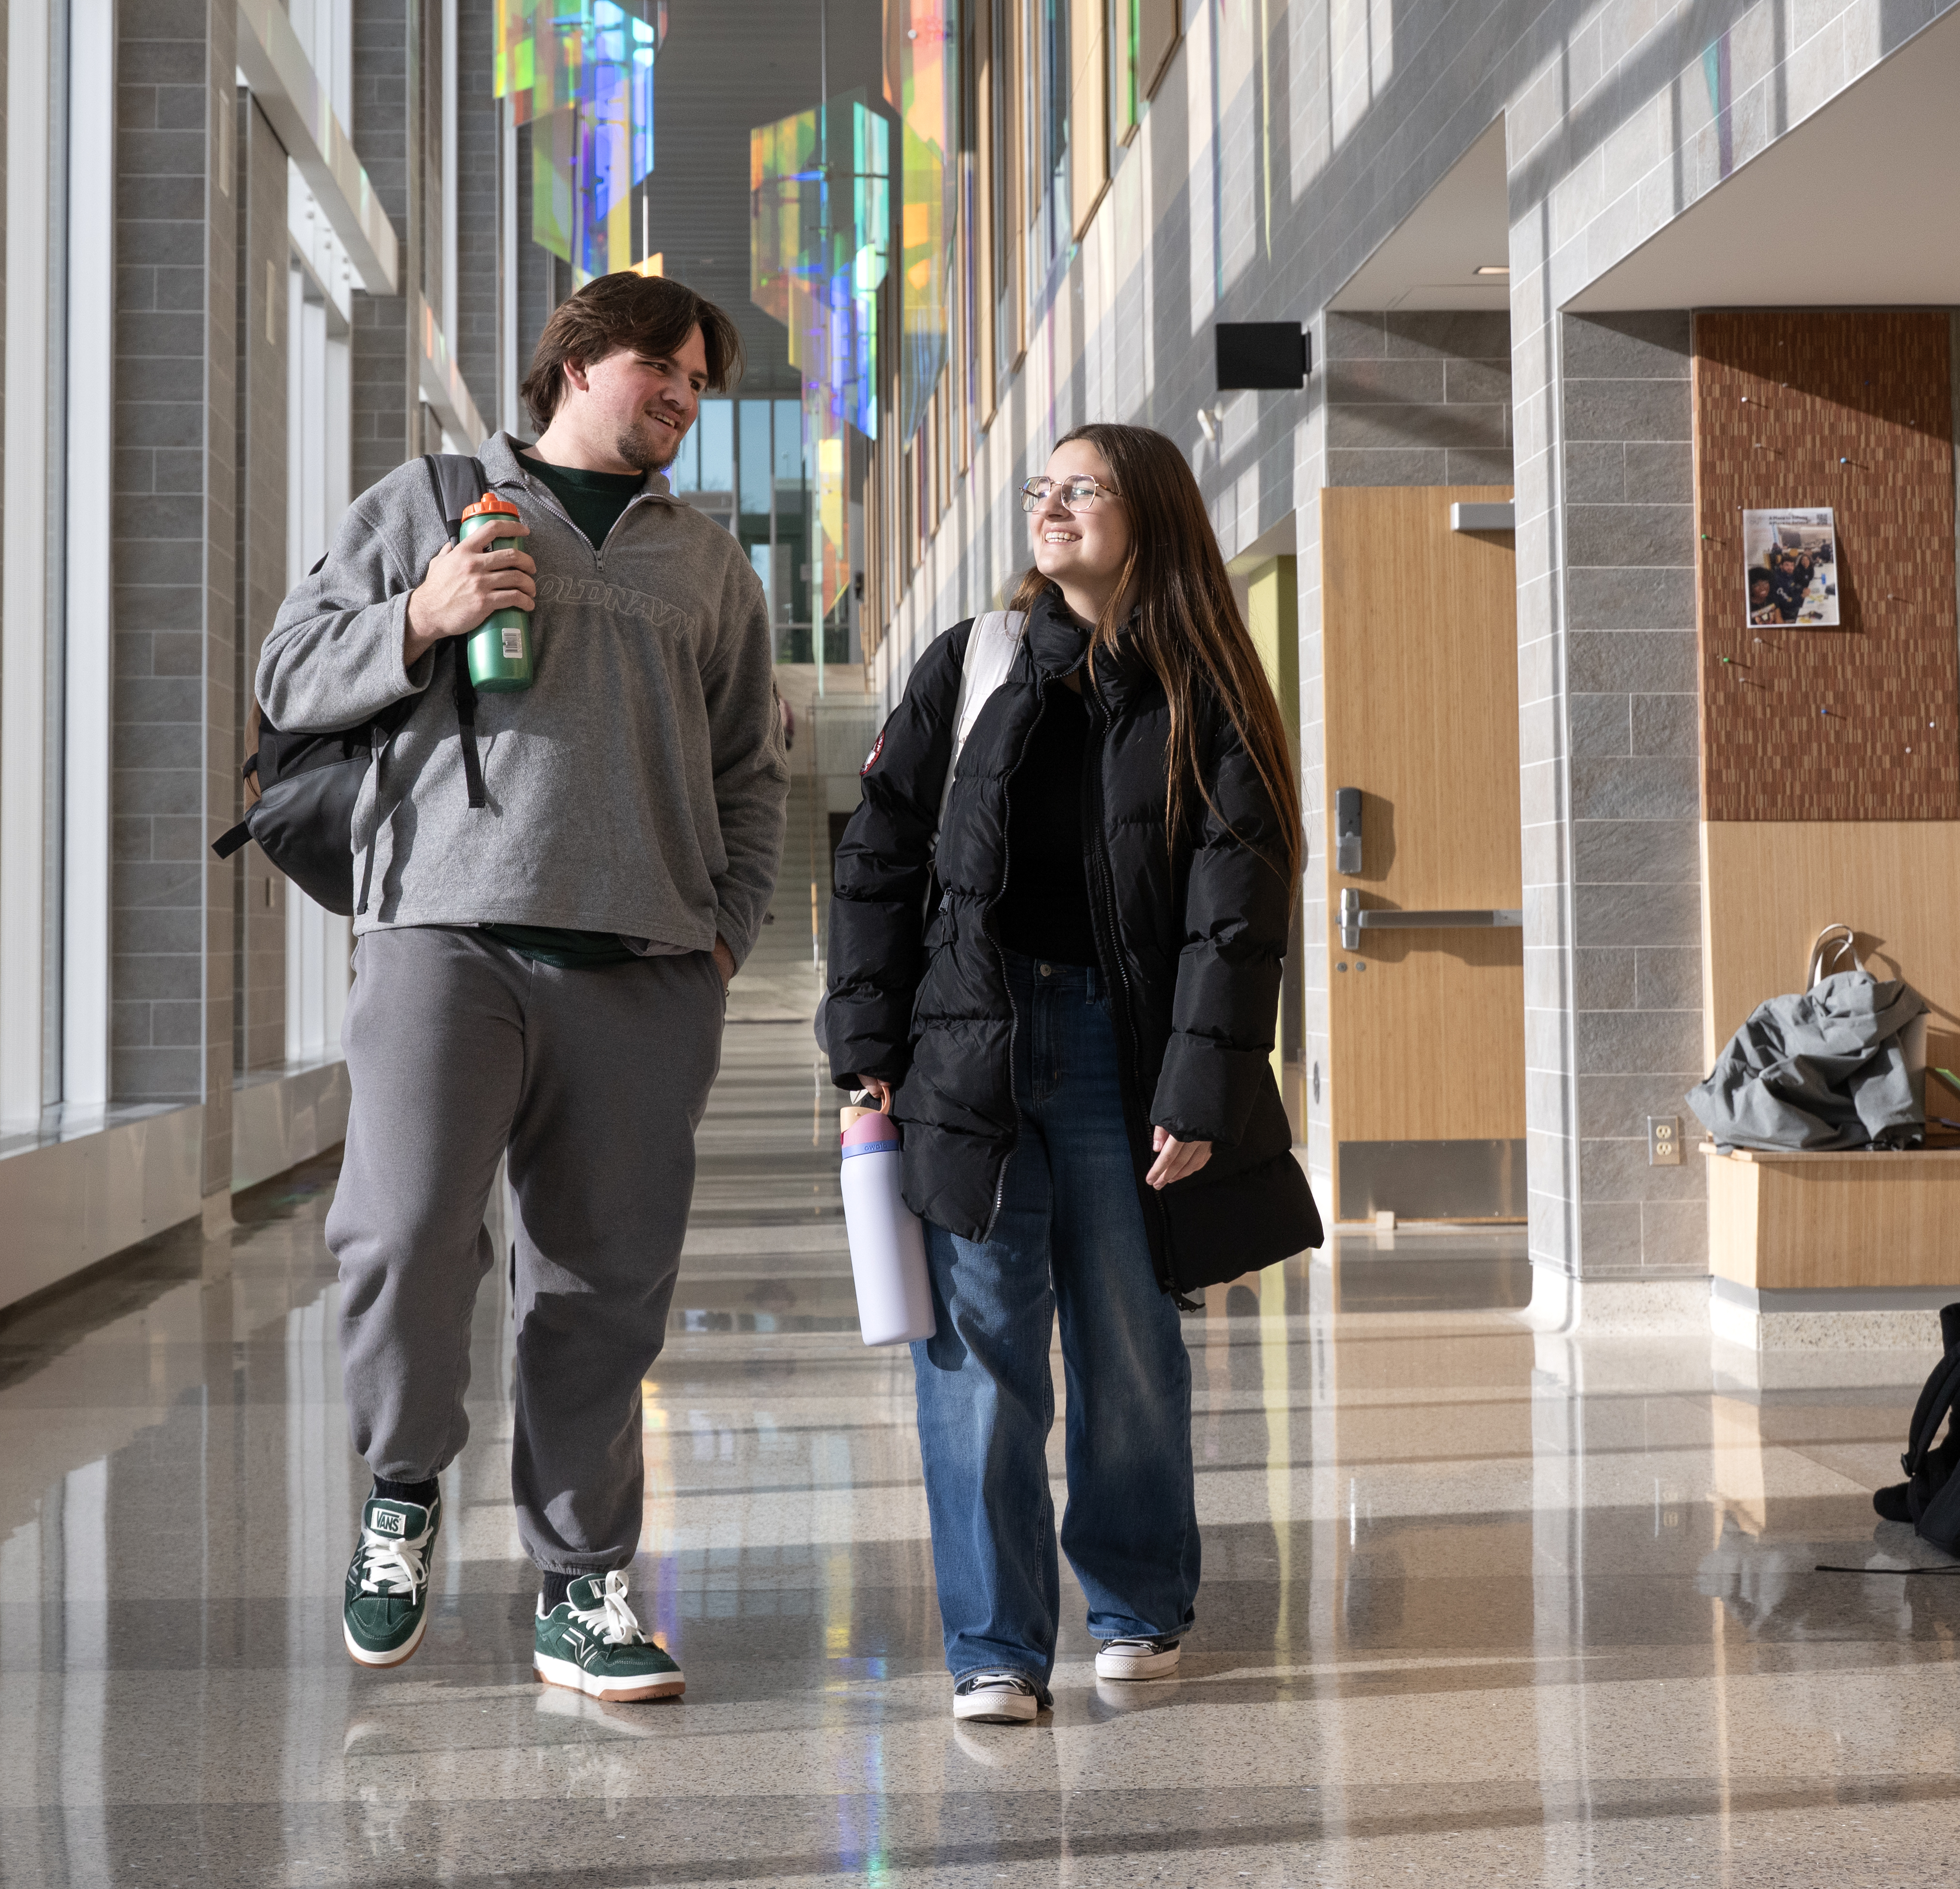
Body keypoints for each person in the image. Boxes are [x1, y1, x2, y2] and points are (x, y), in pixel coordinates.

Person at [256, 270, 788, 1704]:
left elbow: (750, 768)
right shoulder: (429, 502)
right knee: (403, 1232)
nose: (679, 396)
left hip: (644, 970)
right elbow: (288, 672)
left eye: (696, 382)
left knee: (601, 1290)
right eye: (658, 369)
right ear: (574, 359)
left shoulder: (705, 565)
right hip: (446, 937)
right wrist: (419, 617)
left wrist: (721, 933)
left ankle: (581, 1582)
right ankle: (403, 1485)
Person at [822, 422, 1319, 1728]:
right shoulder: (971, 662)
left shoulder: (1203, 684)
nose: (1050, 507)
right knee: (971, 1349)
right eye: (1040, 490)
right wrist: (863, 1051)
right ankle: (994, 1646)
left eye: (1079, 489)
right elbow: (875, 857)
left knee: (1128, 1337)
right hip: (966, 1044)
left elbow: (1236, 906)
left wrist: (1199, 1087)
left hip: (1120, 1046)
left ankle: (1137, 1601)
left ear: (1144, 512)